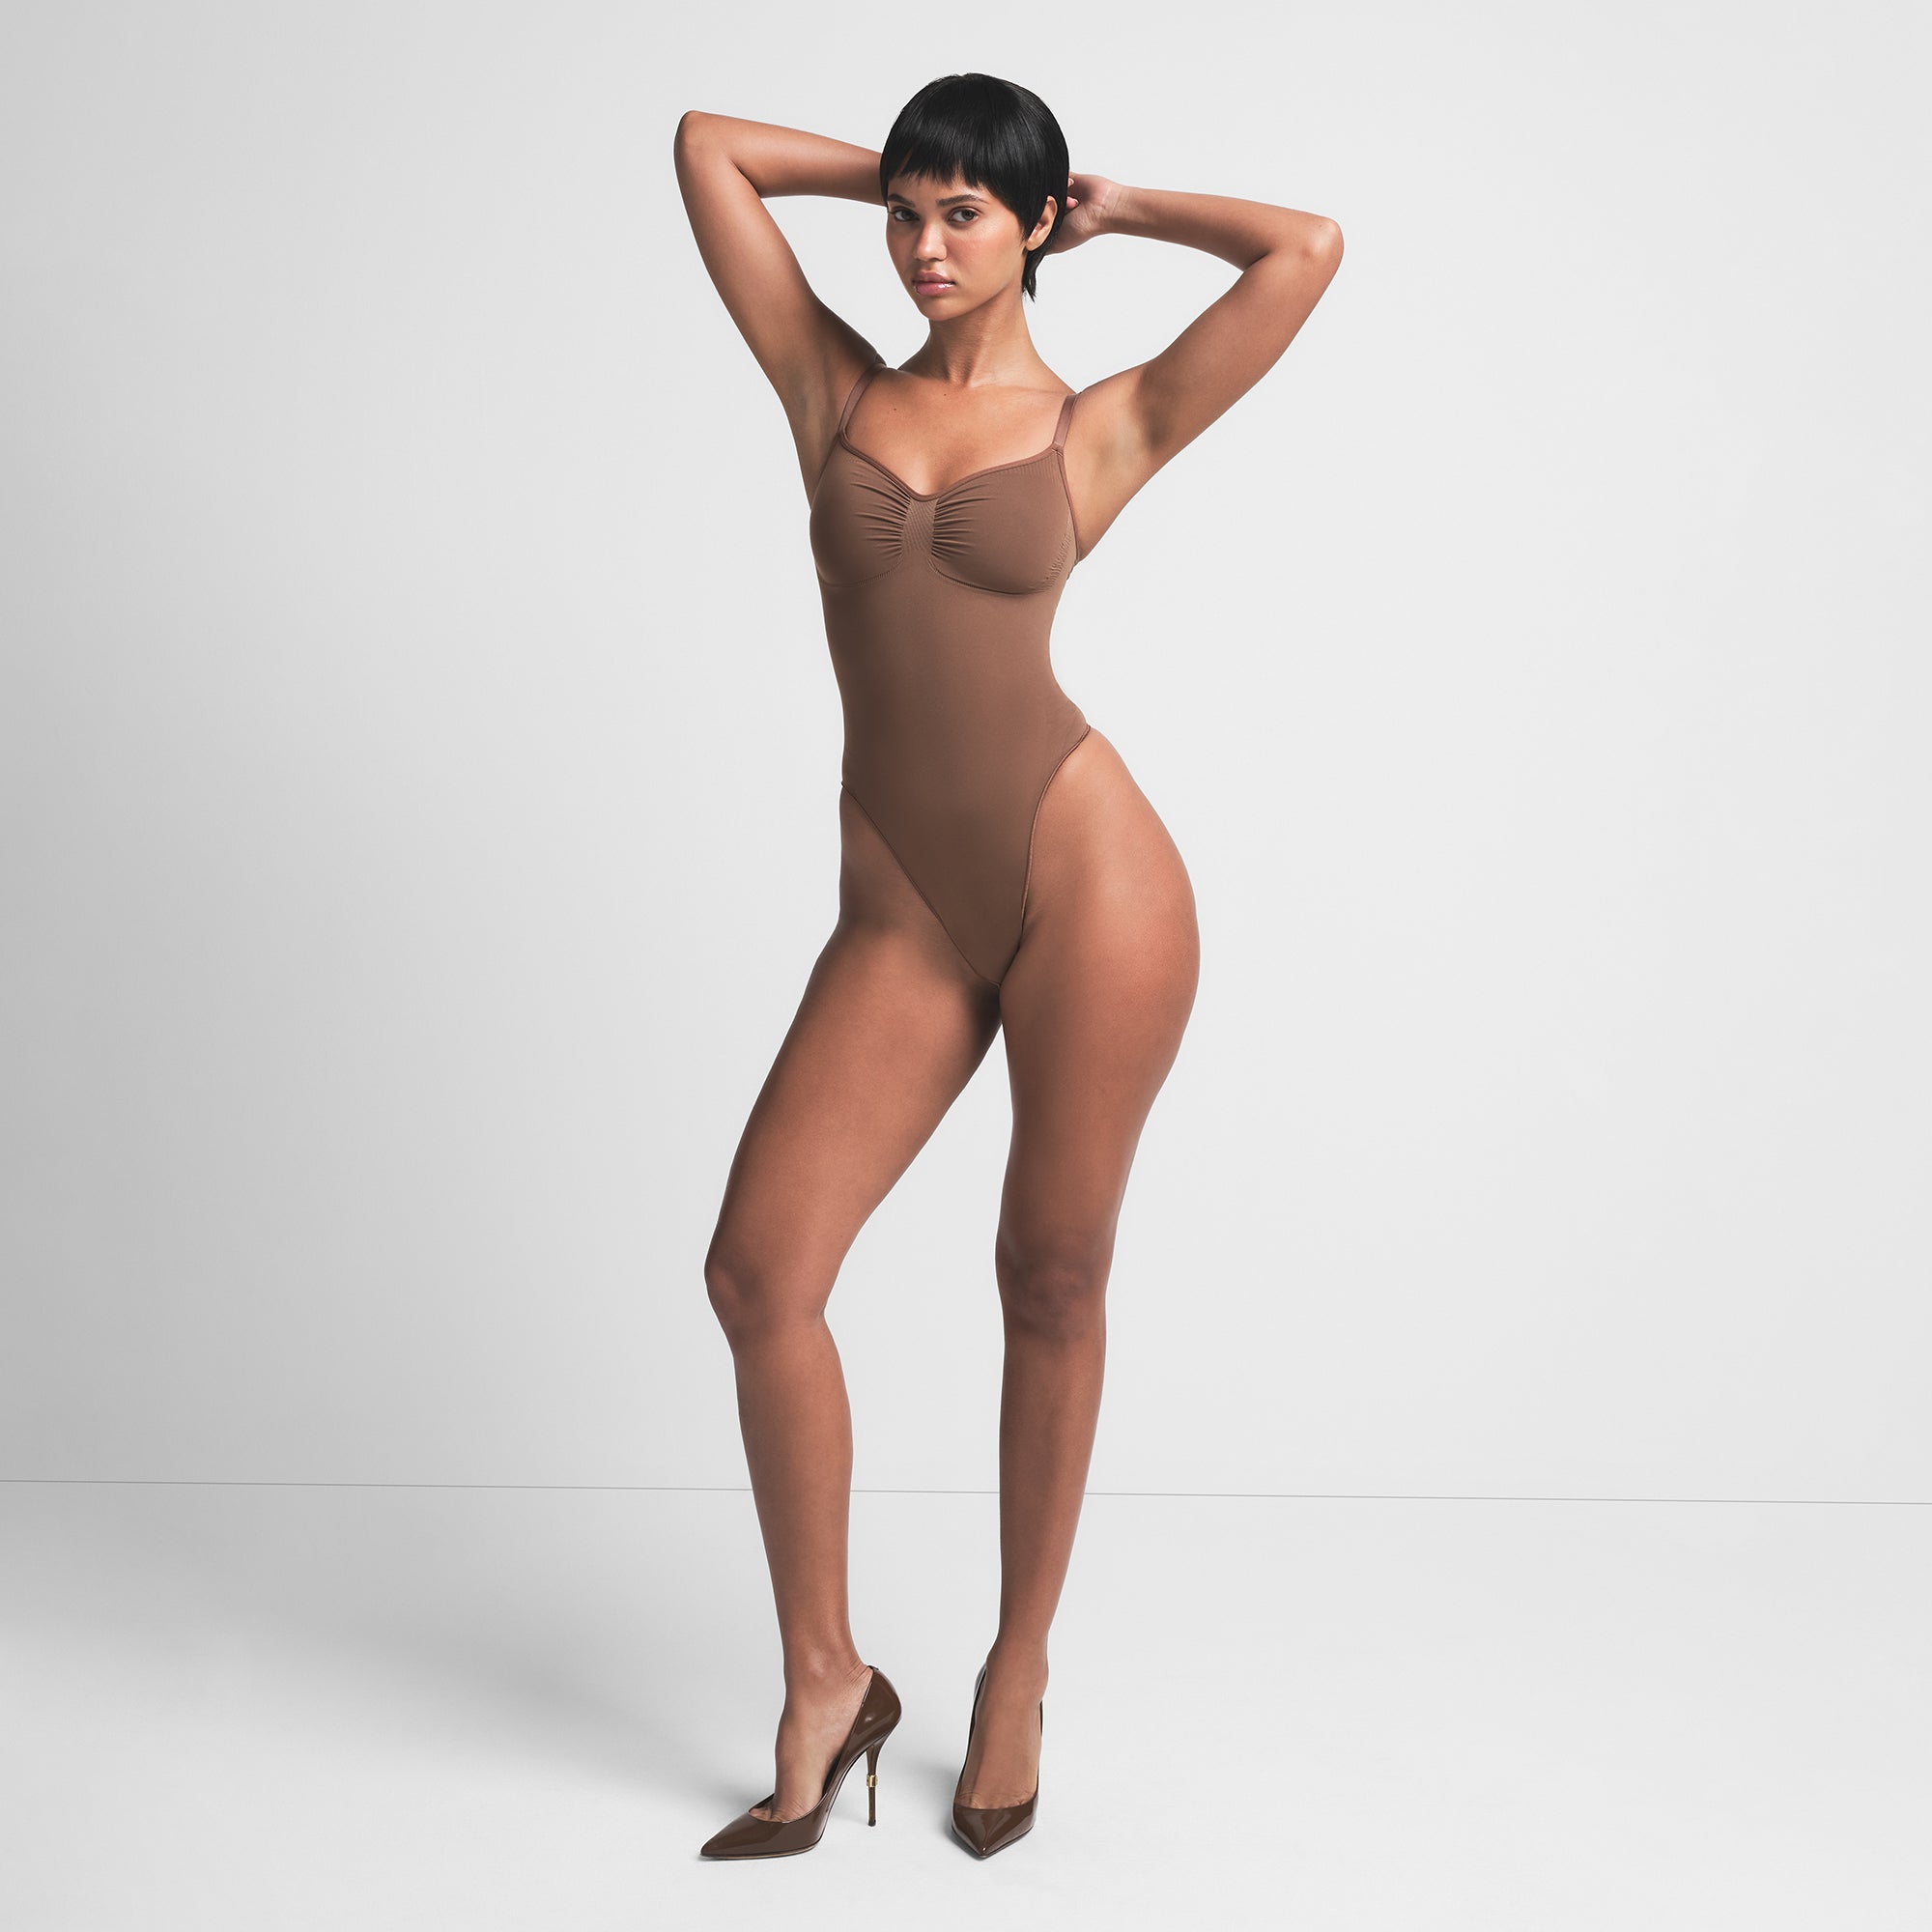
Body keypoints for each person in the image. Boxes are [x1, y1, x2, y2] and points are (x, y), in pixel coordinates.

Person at [672, 71, 1342, 1861]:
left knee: (1049, 1273)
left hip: (1088, 882)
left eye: (963, 214)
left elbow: (1304, 249)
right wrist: (900, 166)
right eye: (907, 213)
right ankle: (828, 1680)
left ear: (1035, 227)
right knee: (759, 1273)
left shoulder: (1095, 427)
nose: (920, 245)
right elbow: (709, 149)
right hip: (900, 909)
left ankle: (1019, 1670)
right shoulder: (830, 385)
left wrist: (1114, 204)